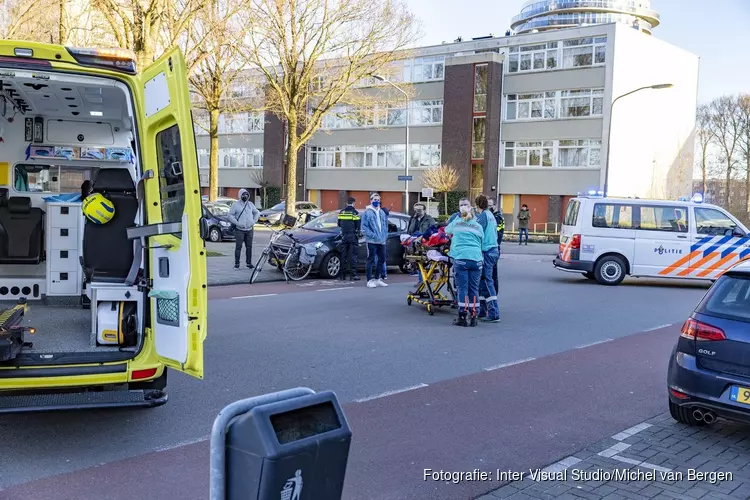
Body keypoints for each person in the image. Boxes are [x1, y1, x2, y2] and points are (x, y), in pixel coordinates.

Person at [445, 197, 484, 327]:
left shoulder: (457, 223)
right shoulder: (477, 225)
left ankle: (462, 315)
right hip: (476, 259)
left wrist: (458, 218)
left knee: (462, 288)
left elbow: (447, 231)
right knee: (474, 289)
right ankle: (474, 316)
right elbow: (482, 240)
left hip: (461, 258)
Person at [475, 194, 500, 323]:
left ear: (477, 205)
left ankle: (494, 312)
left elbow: (478, 233)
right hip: (493, 250)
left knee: (486, 281)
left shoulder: (483, 216)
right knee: (482, 282)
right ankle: (483, 310)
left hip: (487, 251)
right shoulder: (491, 215)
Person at [228, 188, 260, 270]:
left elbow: (256, 212)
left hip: (249, 229)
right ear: (240, 195)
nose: (245, 196)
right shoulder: (235, 205)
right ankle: (237, 264)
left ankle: (249, 263)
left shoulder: (250, 204)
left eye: (246, 195)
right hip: (239, 230)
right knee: (238, 247)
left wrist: (253, 221)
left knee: (249, 247)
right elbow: (230, 215)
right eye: (243, 195)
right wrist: (237, 223)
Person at [361, 192, 388, 288]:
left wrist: (385, 235)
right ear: (371, 200)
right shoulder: (367, 212)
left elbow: (385, 225)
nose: (376, 201)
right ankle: (369, 280)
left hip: (382, 240)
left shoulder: (381, 212)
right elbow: (364, 227)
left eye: (378, 200)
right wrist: (372, 235)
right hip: (372, 241)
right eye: (375, 200)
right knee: (371, 260)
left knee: (382, 259)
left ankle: (377, 279)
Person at [337, 197, 361, 281]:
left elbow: (339, 224)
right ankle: (353, 275)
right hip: (352, 236)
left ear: (346, 203)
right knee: (353, 255)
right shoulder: (355, 213)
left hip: (344, 236)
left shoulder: (341, 212)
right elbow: (358, 226)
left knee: (343, 255)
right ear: (354, 203)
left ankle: (342, 275)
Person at [487, 198, 504, 293]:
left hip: (494, 247)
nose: (489, 208)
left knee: (492, 274)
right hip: (493, 247)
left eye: (490, 206)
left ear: (495, 206)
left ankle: (493, 294)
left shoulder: (497, 218)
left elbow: (493, 232)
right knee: (492, 273)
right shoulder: (494, 216)